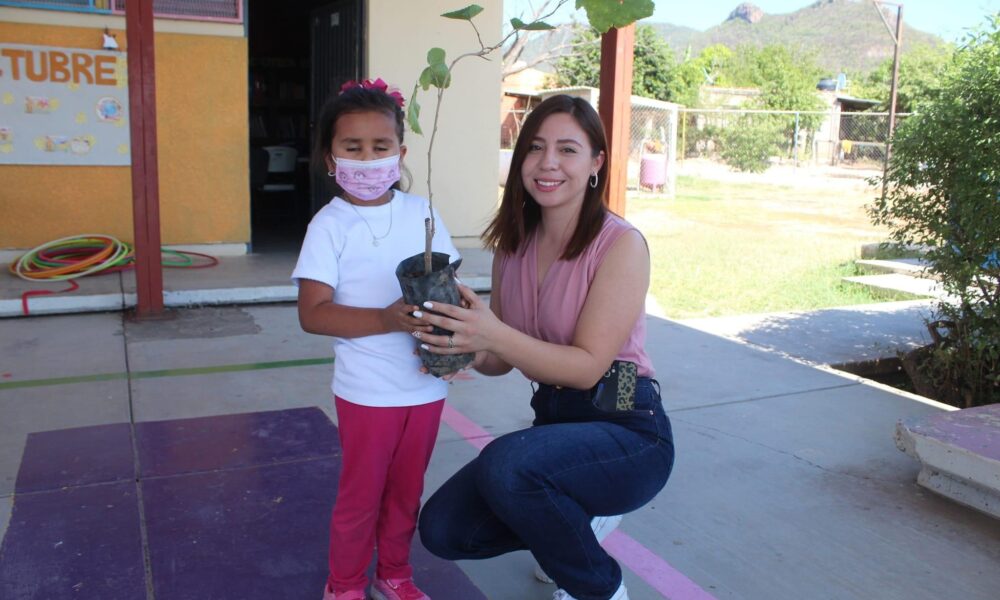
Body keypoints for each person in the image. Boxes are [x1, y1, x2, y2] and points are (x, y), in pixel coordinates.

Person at [411, 94, 675, 600]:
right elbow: (497, 359)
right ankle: (576, 525)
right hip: (556, 426)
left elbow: (587, 367)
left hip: (625, 420)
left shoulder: (621, 244)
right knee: (444, 529)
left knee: (508, 466)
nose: (548, 162)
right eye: (535, 148)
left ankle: (599, 588)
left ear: (597, 163)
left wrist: (491, 332)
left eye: (568, 150)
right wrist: (457, 341)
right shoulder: (513, 246)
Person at [292, 78, 459, 600]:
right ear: (329, 158)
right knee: (361, 495)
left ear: (401, 152)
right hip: (367, 391)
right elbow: (314, 315)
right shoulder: (329, 225)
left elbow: (451, 289)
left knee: (407, 493)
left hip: (425, 388)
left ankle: (394, 575)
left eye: (380, 147)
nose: (368, 159)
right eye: (352, 147)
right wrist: (386, 320)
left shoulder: (423, 213)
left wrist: (457, 345)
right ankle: (343, 585)